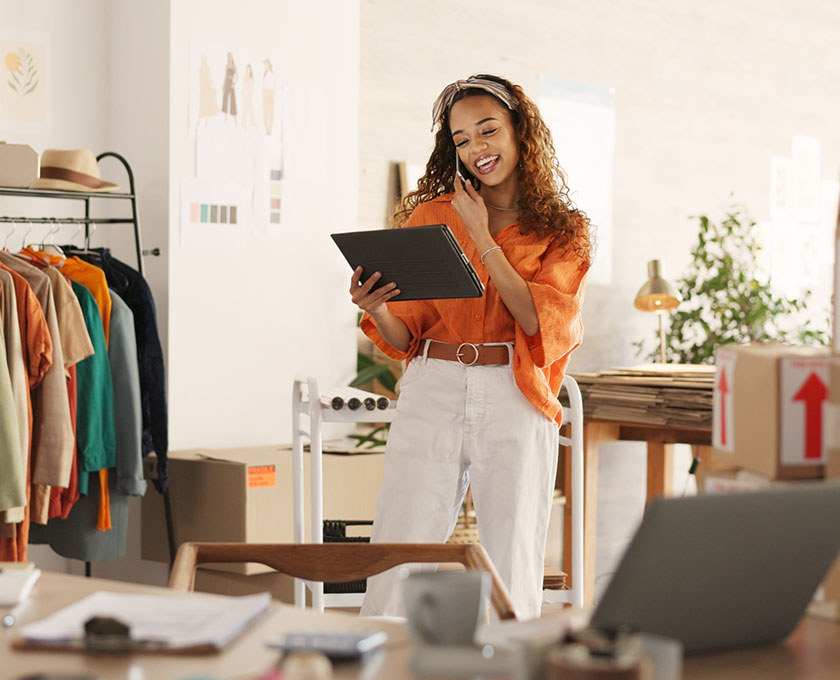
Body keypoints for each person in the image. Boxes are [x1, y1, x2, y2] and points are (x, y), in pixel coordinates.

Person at [351, 74, 592, 619]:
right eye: (462, 140)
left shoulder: (563, 231)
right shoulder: (431, 217)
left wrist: (482, 236)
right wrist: (377, 308)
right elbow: (405, 336)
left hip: (515, 391)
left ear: (519, 131)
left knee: (512, 552)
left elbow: (539, 317)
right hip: (433, 383)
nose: (477, 149)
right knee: (401, 542)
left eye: (487, 131)